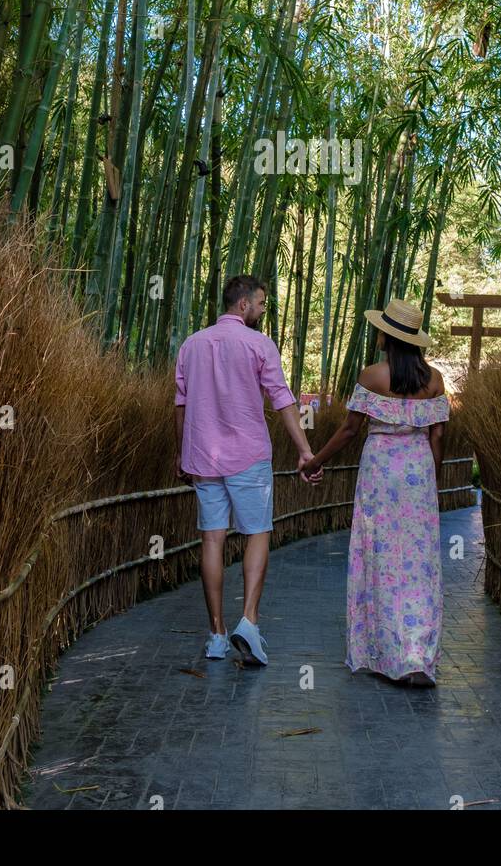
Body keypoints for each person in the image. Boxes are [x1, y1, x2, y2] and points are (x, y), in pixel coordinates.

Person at [174, 274, 321, 667]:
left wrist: (181, 453)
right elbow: (283, 400)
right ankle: (249, 623)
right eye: (259, 304)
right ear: (243, 305)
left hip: (203, 458)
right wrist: (305, 450)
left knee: (212, 541)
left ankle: (217, 634)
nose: (261, 310)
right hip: (249, 458)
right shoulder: (259, 344)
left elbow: (181, 405)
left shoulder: (191, 345)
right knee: (258, 533)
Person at [301, 298, 448, 687]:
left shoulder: (371, 376)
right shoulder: (433, 381)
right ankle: (417, 658)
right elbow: (437, 437)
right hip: (418, 472)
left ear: (388, 335)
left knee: (380, 557)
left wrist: (316, 461)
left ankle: (382, 653)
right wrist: (431, 485)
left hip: (381, 472)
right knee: (419, 564)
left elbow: (350, 430)